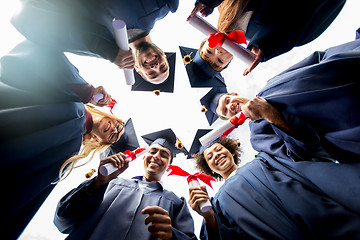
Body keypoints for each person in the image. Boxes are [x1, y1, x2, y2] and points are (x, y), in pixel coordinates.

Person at [0, 40, 130, 239]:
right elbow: (38, 51)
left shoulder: (70, 150)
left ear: (101, 141)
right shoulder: (78, 99)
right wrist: (86, 91)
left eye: (113, 137)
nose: (113, 130)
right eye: (117, 125)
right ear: (111, 116)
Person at [187, 116, 360, 239]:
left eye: (218, 149)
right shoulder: (216, 203)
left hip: (328, 222)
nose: (216, 155)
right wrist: (208, 217)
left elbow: (298, 152)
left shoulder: (264, 159)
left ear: (230, 151)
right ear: (209, 169)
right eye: (209, 157)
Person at [201, 30, 360, 161]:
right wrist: (268, 113)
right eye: (225, 111)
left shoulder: (271, 84)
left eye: (227, 100)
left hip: (349, 68)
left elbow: (317, 59)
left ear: (234, 94)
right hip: (349, 120)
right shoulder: (258, 136)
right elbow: (307, 154)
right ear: (230, 120)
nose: (230, 106)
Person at [54, 128, 197, 240]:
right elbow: (63, 220)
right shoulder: (109, 184)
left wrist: (172, 237)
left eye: (164, 155)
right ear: (144, 157)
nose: (156, 156)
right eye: (153, 151)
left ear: (169, 166)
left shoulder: (176, 203)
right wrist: (98, 182)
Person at [11, 0, 179, 84]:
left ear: (136, 67)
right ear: (163, 54)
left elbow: (39, 25)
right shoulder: (162, 6)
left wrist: (108, 51)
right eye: (163, 66)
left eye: (151, 74)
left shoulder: (99, 42)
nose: (155, 67)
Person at [187, 0, 346, 75]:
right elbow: (296, 20)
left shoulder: (221, 4)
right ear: (231, 59)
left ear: (207, 39)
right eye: (220, 61)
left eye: (209, 52)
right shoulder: (263, 38)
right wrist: (267, 45)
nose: (218, 53)